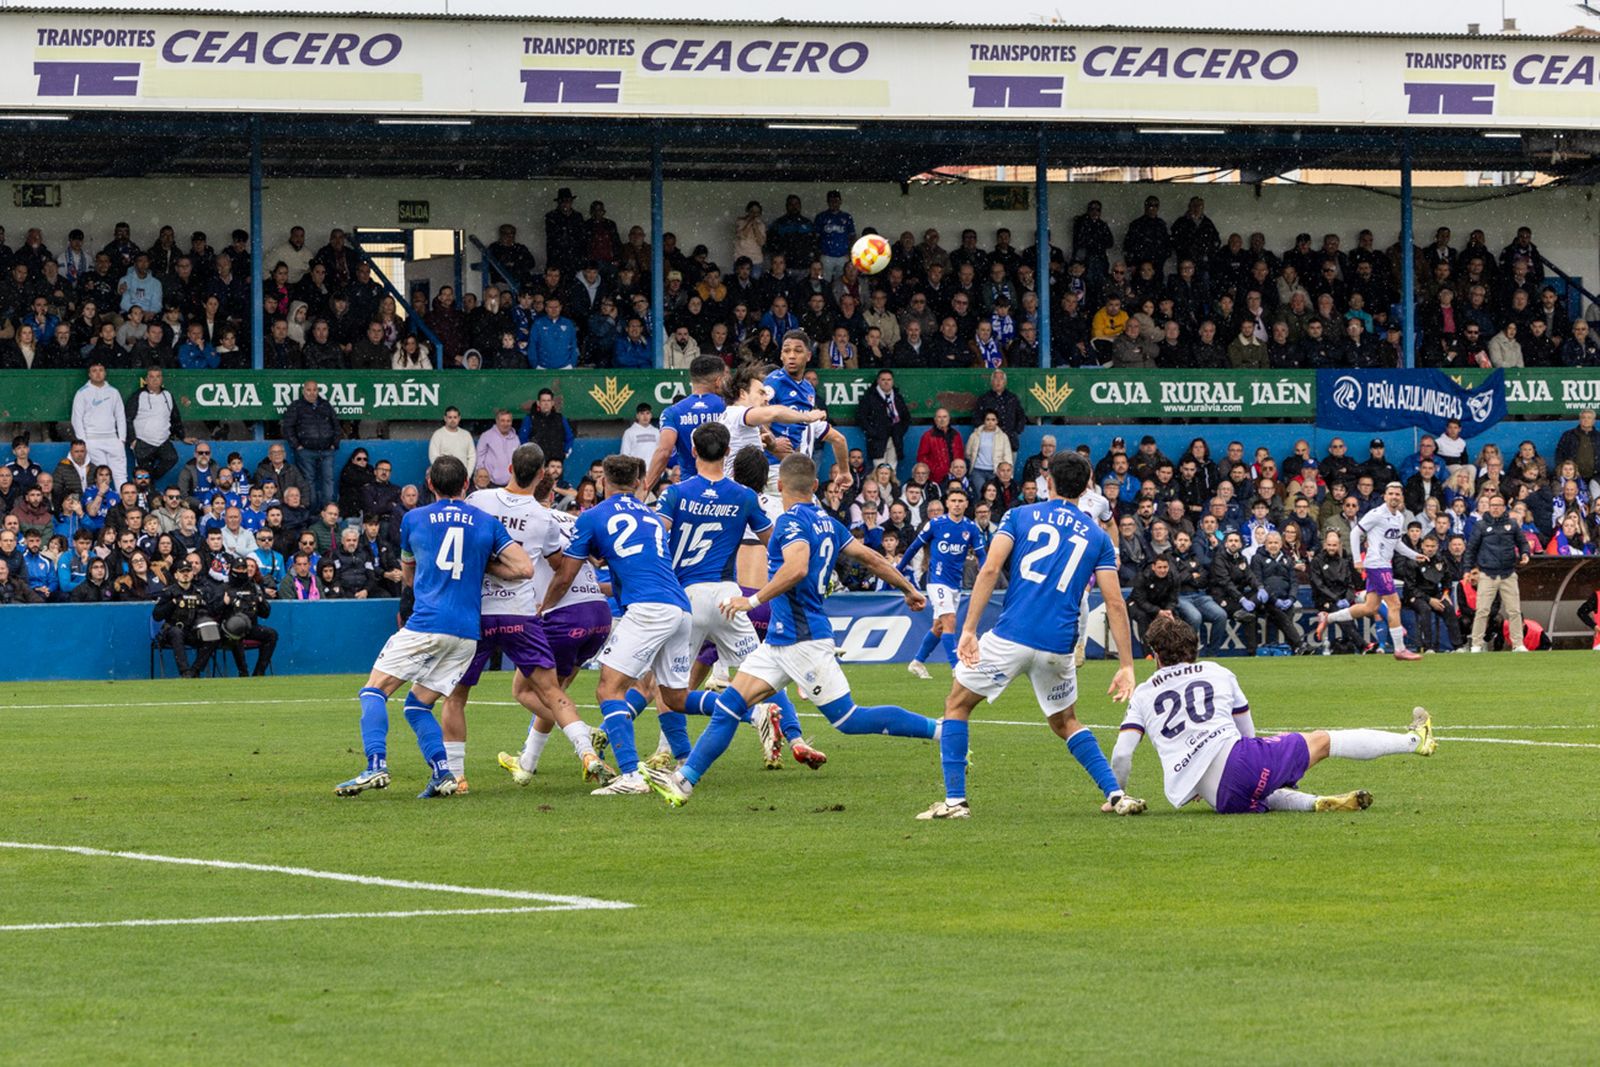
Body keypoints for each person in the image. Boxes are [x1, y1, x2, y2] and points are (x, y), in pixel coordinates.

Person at [646, 453, 941, 809]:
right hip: (778, 642)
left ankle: (941, 730)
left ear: (781, 485)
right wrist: (908, 589)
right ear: (816, 486)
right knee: (729, 706)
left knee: (848, 719)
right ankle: (684, 781)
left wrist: (751, 602)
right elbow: (872, 558)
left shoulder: (789, 522)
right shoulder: (829, 522)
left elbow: (797, 568)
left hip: (805, 641)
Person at [915, 450, 1143, 821]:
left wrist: (969, 630)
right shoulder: (1097, 536)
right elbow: (1116, 604)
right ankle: (1116, 794)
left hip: (1011, 636)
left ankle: (955, 802)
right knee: (1066, 721)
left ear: (1047, 481)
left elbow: (989, 570)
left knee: (957, 704)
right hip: (1058, 645)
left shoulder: (1019, 515)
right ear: (1087, 485)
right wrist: (1128, 665)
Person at [335, 456, 532, 799]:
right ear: (467, 485)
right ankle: (444, 774)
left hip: (428, 623)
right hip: (467, 634)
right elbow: (524, 568)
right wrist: (482, 565)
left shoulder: (413, 519)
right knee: (417, 706)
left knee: (373, 691)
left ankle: (376, 765)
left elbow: (409, 578)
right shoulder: (485, 521)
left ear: (430, 485)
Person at [1111, 617, 1436, 814]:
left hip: (1218, 798)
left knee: (1262, 789)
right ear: (1193, 648)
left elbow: (1122, 755)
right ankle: (1415, 740)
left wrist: (1117, 796)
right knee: (1323, 741)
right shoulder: (1215, 670)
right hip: (1239, 762)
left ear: (1155, 657)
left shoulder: (1143, 692)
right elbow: (1246, 731)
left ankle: (1314, 802)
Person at [440, 443, 615, 793]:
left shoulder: (478, 501)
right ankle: (587, 753)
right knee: (550, 691)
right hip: (522, 614)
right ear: (540, 475)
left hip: (478, 614)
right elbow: (557, 565)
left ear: (508, 468)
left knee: (456, 696)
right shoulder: (543, 517)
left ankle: (457, 776)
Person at [650, 422, 810, 769]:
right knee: (763, 672)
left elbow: (655, 538)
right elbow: (775, 544)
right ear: (726, 453)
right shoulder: (744, 496)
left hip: (686, 597)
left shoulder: (675, 493)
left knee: (669, 688)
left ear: (693, 452)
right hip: (728, 598)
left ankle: (676, 757)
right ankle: (785, 727)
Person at [538, 455, 698, 796]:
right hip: (680, 606)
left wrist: (544, 607)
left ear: (602, 483)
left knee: (608, 688)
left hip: (648, 609)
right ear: (639, 482)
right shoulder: (652, 517)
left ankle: (631, 775)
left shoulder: (593, 515)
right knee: (676, 697)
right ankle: (719, 734)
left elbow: (565, 575)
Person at [1314, 482, 1425, 660]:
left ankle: (1328, 618)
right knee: (1395, 604)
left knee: (1370, 607)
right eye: (1391, 494)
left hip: (1384, 564)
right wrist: (1358, 560)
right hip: (1376, 564)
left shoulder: (1399, 517)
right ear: (1385, 496)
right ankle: (1400, 649)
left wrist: (1414, 555)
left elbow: (1395, 542)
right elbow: (1355, 533)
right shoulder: (1377, 514)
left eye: (1398, 494)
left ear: (1401, 496)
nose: (1395, 497)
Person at [900, 487, 987, 679]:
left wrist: (986, 570)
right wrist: (897, 571)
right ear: (947, 503)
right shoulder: (936, 524)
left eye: (960, 501)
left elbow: (981, 555)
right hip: (937, 581)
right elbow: (914, 547)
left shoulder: (971, 528)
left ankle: (917, 662)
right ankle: (957, 668)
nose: (956, 504)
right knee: (950, 622)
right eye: (953, 501)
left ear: (966, 504)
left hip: (955, 583)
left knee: (939, 627)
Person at [644, 356, 727, 491]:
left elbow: (664, 452)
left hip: (690, 490)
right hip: (725, 488)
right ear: (718, 381)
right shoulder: (730, 407)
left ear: (692, 379)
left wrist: (645, 490)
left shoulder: (673, 412)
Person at [1464, 493, 1528, 653]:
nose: (1495, 508)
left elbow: (1522, 542)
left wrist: (1525, 553)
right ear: (1488, 507)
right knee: (1482, 611)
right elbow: (1471, 548)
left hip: (1508, 573)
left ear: (1504, 507)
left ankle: (1518, 644)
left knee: (1514, 610)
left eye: (1499, 505)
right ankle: (1476, 644)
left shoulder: (1512, 524)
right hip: (1487, 573)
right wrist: (1467, 569)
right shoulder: (1480, 525)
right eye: (1493, 505)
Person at [152, 559, 220, 678]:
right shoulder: (169, 592)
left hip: (193, 631)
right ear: (176, 575)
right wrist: (172, 603)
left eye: (188, 571)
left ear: (193, 574)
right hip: (173, 631)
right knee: (176, 632)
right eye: (182, 571)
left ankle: (195, 670)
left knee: (213, 635)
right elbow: (157, 616)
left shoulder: (199, 592)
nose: (185, 574)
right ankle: (185, 672)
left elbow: (211, 611)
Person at [282, 379, 340, 509]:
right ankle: (312, 511)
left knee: (328, 480)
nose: (312, 393)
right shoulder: (297, 406)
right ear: (303, 391)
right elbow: (288, 427)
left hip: (326, 450)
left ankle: (328, 510)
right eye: (309, 390)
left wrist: (334, 443)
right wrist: (297, 446)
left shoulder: (325, 405)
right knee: (309, 482)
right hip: (306, 451)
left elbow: (336, 425)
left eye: (315, 390)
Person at [70, 360, 128, 488]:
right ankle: (104, 506)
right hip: (92, 440)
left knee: (120, 475)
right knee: (101, 475)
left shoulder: (114, 392)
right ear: (89, 374)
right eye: (94, 371)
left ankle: (125, 506)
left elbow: (120, 416)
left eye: (100, 370)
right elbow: (76, 418)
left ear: (105, 373)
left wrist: (121, 439)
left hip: (113, 439)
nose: (98, 374)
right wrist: (84, 441)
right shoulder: (82, 393)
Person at [217, 554, 277, 677]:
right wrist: (224, 603)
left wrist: (261, 602)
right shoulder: (224, 587)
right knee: (236, 632)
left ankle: (259, 673)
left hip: (250, 627)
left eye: (243, 568)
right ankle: (243, 672)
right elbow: (214, 611)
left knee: (272, 634)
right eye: (238, 569)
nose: (241, 571)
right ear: (231, 570)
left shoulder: (255, 587)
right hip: (228, 630)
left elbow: (265, 614)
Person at [857, 368, 911, 472]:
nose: (886, 382)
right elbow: (861, 417)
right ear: (878, 381)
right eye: (883, 379)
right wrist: (873, 432)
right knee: (879, 470)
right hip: (878, 440)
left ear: (893, 381)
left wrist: (899, 432)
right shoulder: (870, 397)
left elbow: (906, 417)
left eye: (889, 379)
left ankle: (892, 488)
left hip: (895, 439)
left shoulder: (897, 397)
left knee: (892, 470)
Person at [619, 402, 659, 467]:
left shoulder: (656, 432)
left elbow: (660, 453)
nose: (645, 416)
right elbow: (624, 455)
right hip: (636, 473)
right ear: (637, 416)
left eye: (647, 413)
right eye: (642, 414)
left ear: (651, 415)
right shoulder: (629, 432)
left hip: (653, 472)